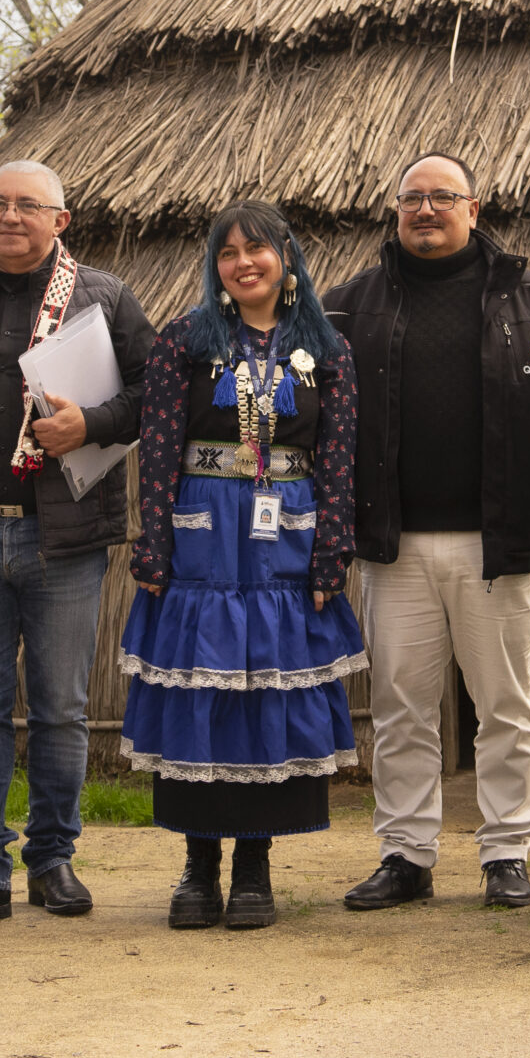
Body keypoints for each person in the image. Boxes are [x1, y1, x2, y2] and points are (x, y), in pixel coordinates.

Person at [322, 153, 530, 912]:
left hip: (498, 541)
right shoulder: (348, 307)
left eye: (442, 197)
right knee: (401, 706)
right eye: (412, 198)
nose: (425, 210)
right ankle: (406, 853)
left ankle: (506, 851)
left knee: (505, 704)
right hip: (394, 544)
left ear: (474, 208)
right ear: (396, 210)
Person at [0, 160, 153, 935]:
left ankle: (52, 860)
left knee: (61, 710)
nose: (11, 216)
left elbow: (156, 394)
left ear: (61, 220)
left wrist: (93, 423)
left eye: (28, 205)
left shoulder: (104, 297)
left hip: (65, 536)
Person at [121, 201, 364, 931]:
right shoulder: (183, 341)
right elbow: (157, 448)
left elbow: (339, 459)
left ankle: (255, 865)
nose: (242, 263)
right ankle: (198, 866)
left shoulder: (326, 348)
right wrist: (154, 543)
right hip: (203, 538)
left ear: (285, 258)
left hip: (286, 535)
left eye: (256, 249)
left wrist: (331, 554)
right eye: (227, 253)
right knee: (203, 687)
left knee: (266, 692)